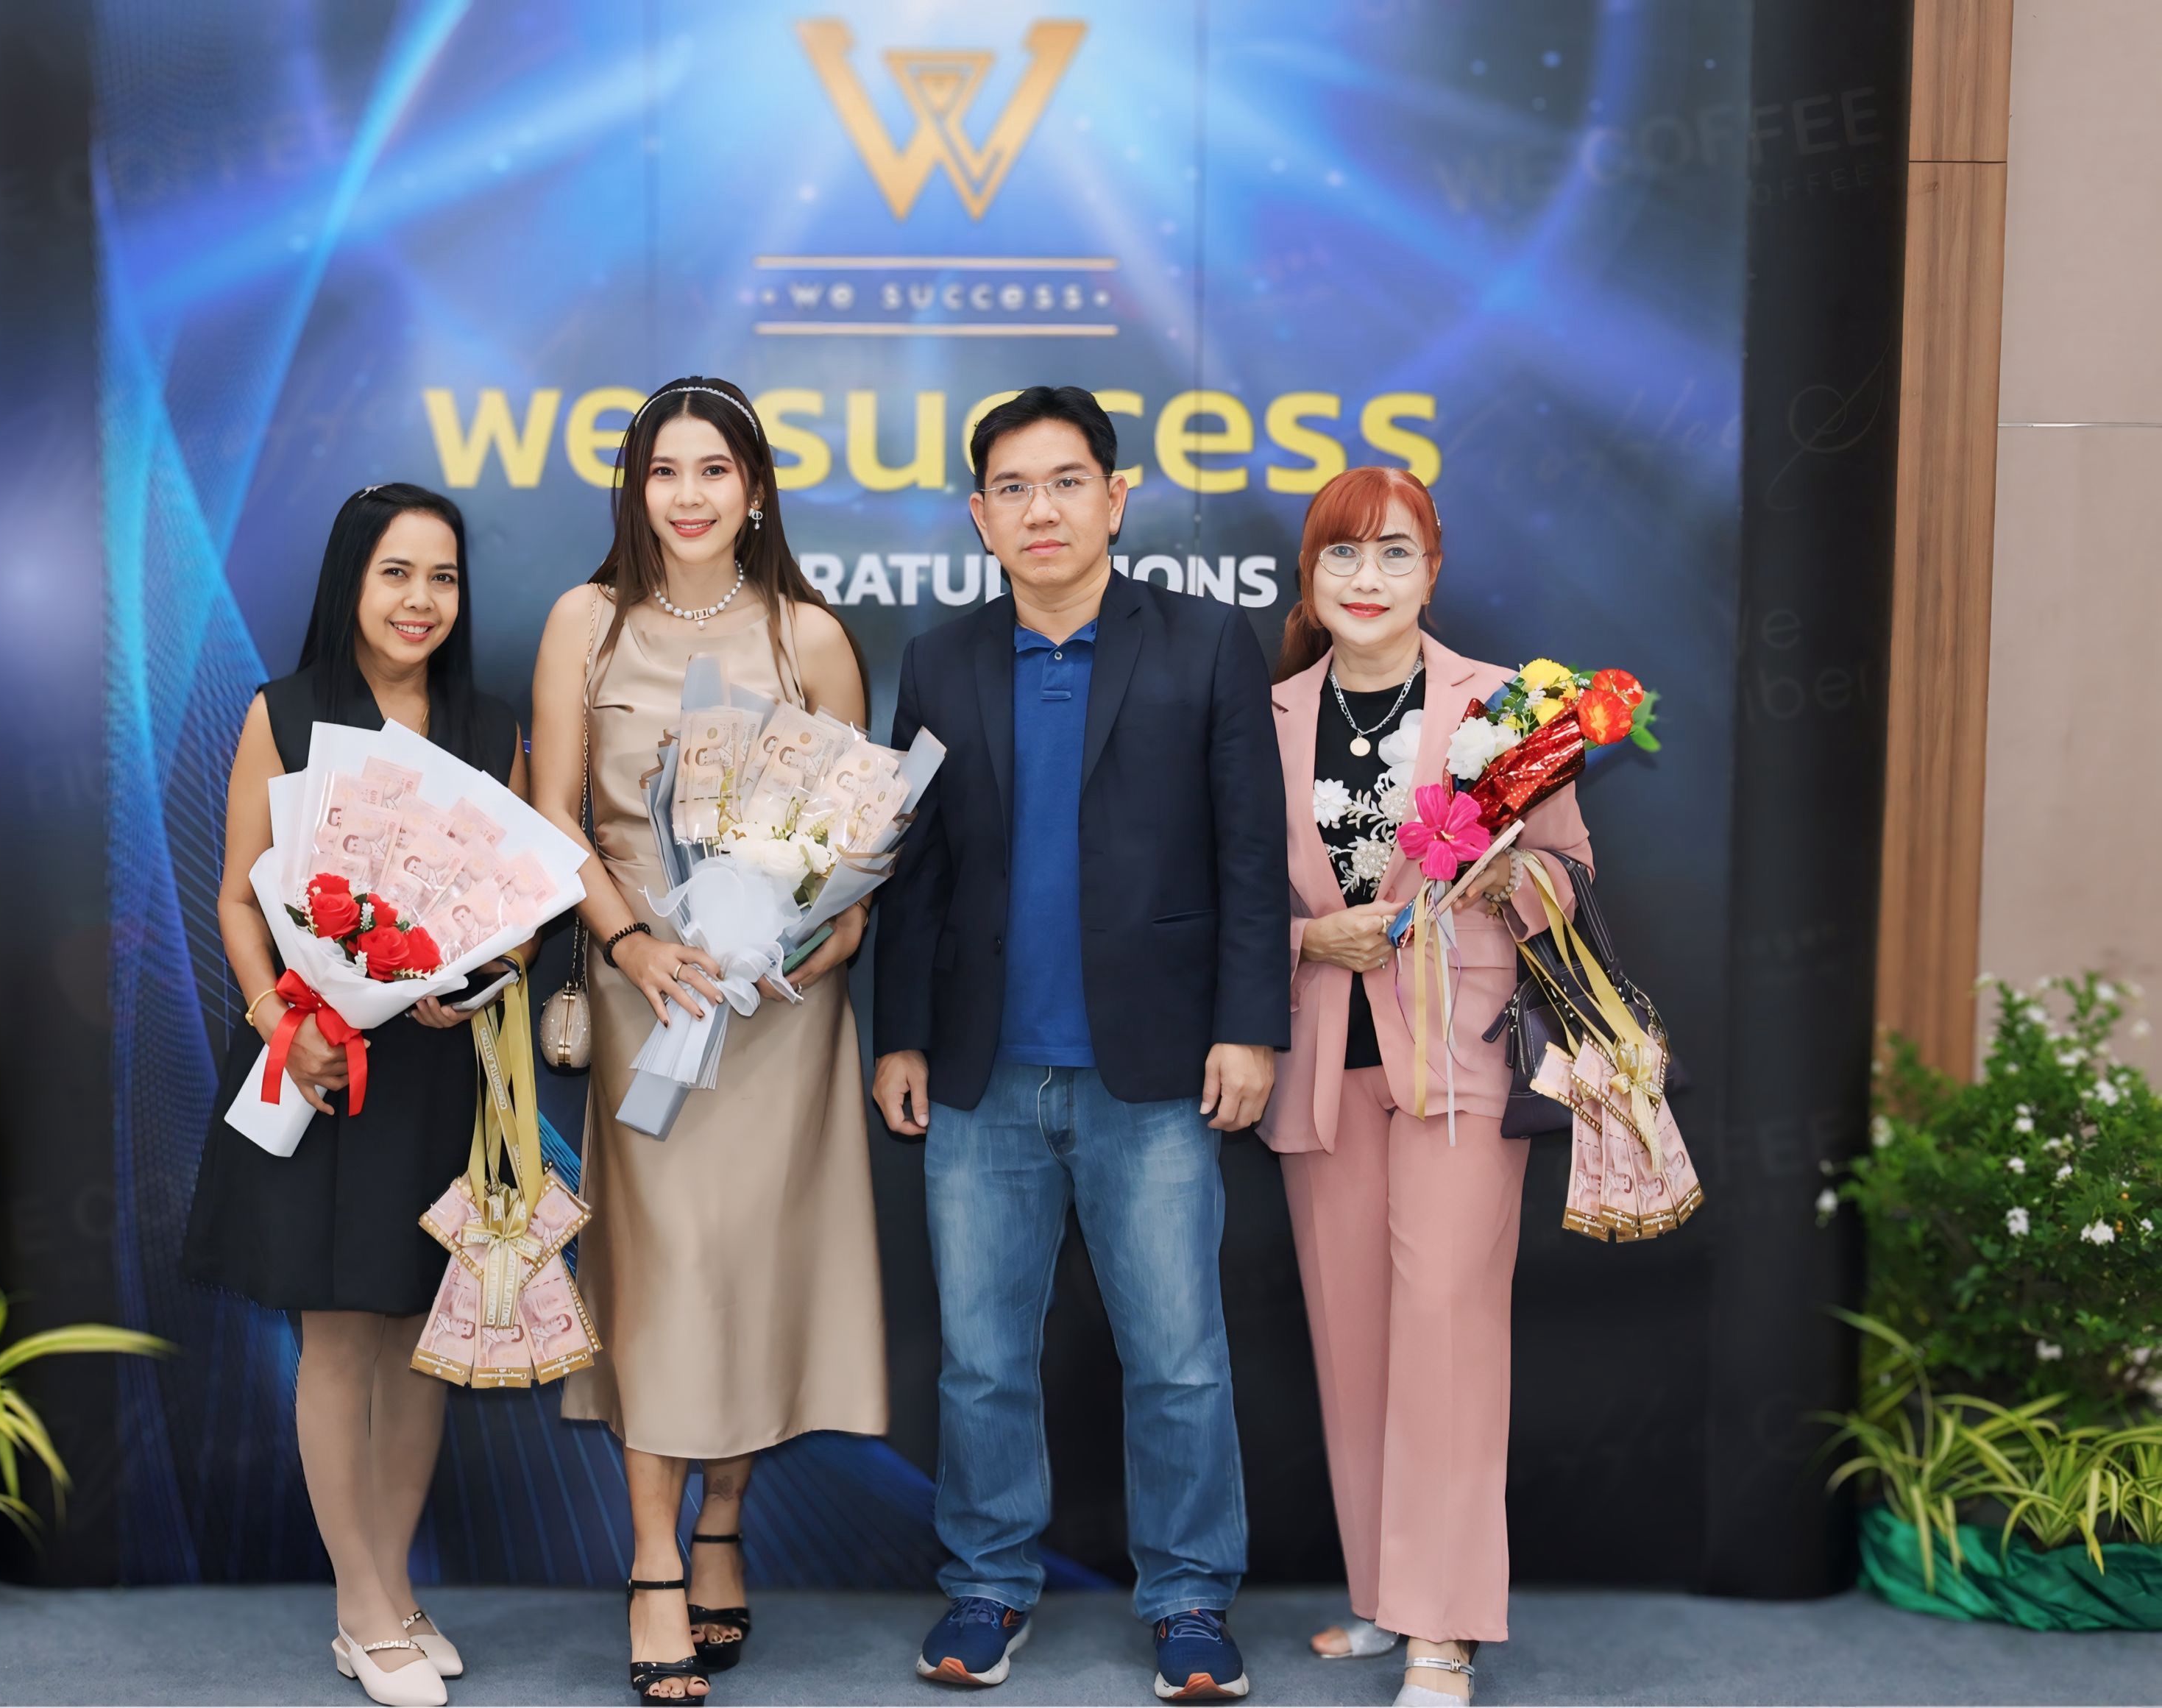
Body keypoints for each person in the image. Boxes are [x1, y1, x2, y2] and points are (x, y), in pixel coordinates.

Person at [871, 386, 1288, 1702]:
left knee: (1178, 1356)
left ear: (1116, 498)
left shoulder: (1205, 643)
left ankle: (1191, 1598)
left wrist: (1249, 1025)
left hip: (1153, 1069)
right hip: (981, 1072)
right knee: (982, 1361)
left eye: (1066, 482)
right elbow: (914, 874)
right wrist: (900, 1036)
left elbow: (1251, 854)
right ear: (979, 514)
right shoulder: (940, 661)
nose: (1039, 508)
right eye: (1013, 487)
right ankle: (986, 1584)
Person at [528, 377, 887, 1705]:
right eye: (664, 471)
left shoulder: (812, 637)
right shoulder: (587, 621)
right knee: (672, 1270)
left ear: (756, 489)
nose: (688, 495)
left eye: (714, 471)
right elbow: (553, 814)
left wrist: (829, 936)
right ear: (634, 489)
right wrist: (631, 943)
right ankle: (652, 1564)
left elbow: (858, 834)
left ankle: (723, 1526)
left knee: (754, 1268)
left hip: (777, 1012)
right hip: (650, 996)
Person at [183, 483, 531, 1708]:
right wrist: (284, 1022)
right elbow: (239, 894)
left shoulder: (490, 726)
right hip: (319, 1064)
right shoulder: (285, 713)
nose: (420, 600)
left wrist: (464, 983)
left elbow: (514, 909)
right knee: (337, 1338)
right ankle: (362, 1610)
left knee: (419, 1342)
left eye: (443, 577)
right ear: (351, 582)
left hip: (435, 1068)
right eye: (396, 573)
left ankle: (390, 1587)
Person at [1259, 467, 1592, 1708]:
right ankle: (1382, 1594)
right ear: (1310, 576)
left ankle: (1442, 1626)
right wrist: (1311, 939)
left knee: (1447, 1326)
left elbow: (1571, 873)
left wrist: (1507, 873)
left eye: (1395, 553)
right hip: (1321, 1059)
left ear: (1432, 571)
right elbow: (1227, 898)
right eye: (1343, 555)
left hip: (1460, 1056)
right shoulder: (1268, 714)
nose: (1368, 578)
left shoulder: (1503, 705)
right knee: (1351, 1337)